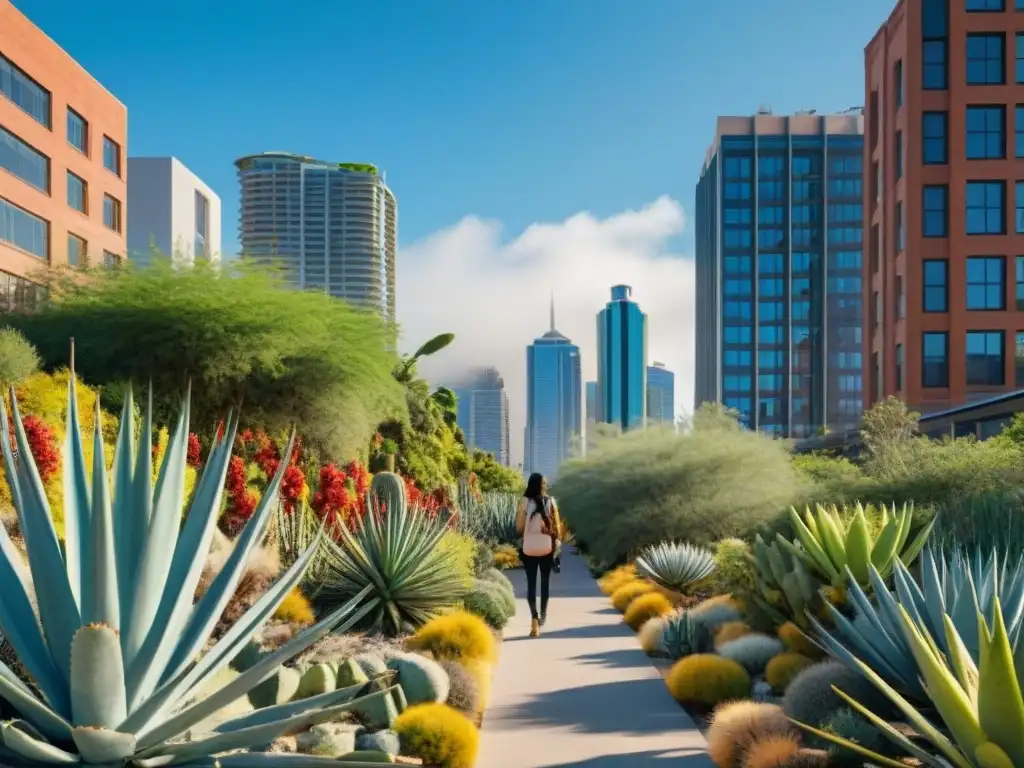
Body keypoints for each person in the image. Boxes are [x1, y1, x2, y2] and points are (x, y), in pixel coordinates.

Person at [516, 472, 563, 638]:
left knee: (531, 585)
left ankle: (534, 620)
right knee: (544, 583)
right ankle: (543, 615)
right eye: (545, 483)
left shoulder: (524, 503)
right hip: (546, 549)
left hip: (529, 548)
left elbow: (519, 529)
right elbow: (557, 529)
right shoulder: (551, 502)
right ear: (542, 485)